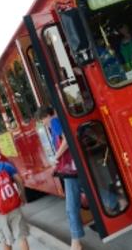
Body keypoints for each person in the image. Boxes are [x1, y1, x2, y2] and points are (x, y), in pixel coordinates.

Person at [47, 107, 83, 250]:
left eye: (43, 120)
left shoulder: (54, 121)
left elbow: (66, 140)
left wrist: (55, 158)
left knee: (71, 207)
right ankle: (112, 200)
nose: (44, 124)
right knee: (85, 190)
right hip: (72, 166)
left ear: (47, 116)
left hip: (69, 169)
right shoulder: (60, 119)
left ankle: (76, 242)